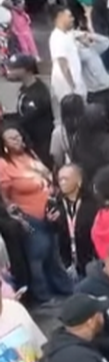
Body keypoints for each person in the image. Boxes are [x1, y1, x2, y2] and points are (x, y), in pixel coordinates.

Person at [0, 126, 75, 306]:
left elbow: (47, 174)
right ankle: (42, 296)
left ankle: (63, 287)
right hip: (28, 217)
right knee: (37, 255)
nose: (18, 140)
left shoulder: (30, 154)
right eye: (12, 139)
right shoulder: (3, 164)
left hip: (48, 212)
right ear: (4, 144)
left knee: (53, 253)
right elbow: (4, 195)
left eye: (19, 136)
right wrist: (13, 213)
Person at [49, 163, 97, 280]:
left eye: (66, 179)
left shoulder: (93, 204)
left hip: (89, 260)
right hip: (67, 262)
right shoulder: (56, 205)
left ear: (79, 181)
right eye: (60, 179)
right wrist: (51, 222)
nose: (62, 182)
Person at [8, 55, 55, 168]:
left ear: (26, 70)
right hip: (29, 139)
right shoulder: (24, 88)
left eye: (14, 68)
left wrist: (10, 124)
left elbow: (27, 118)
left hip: (41, 142)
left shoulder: (40, 92)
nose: (10, 71)